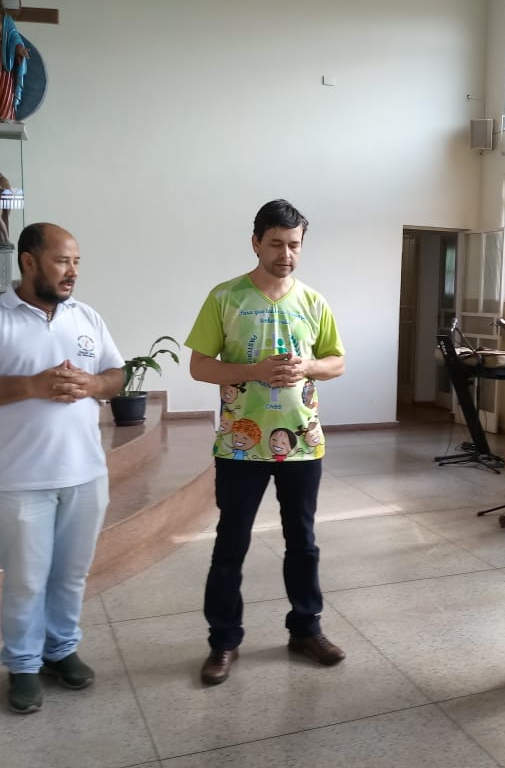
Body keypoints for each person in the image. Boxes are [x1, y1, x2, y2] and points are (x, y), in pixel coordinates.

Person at [0, 223, 125, 714]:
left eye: (77, 262)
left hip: (86, 472)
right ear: (28, 261)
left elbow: (115, 373)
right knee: (26, 578)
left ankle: (60, 650)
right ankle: (23, 664)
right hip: (20, 478)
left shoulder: (86, 316)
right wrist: (31, 385)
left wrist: (91, 384)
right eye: (62, 261)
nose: (72, 271)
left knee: (71, 574)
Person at [186, 199, 346, 685]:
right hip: (240, 445)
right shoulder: (225, 298)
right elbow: (199, 366)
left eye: (294, 245)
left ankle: (306, 628)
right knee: (231, 542)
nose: (285, 254)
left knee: (303, 542)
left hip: (302, 443)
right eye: (276, 244)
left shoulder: (313, 302)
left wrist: (308, 366)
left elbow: (337, 361)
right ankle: (223, 640)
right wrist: (254, 370)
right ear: (256, 242)